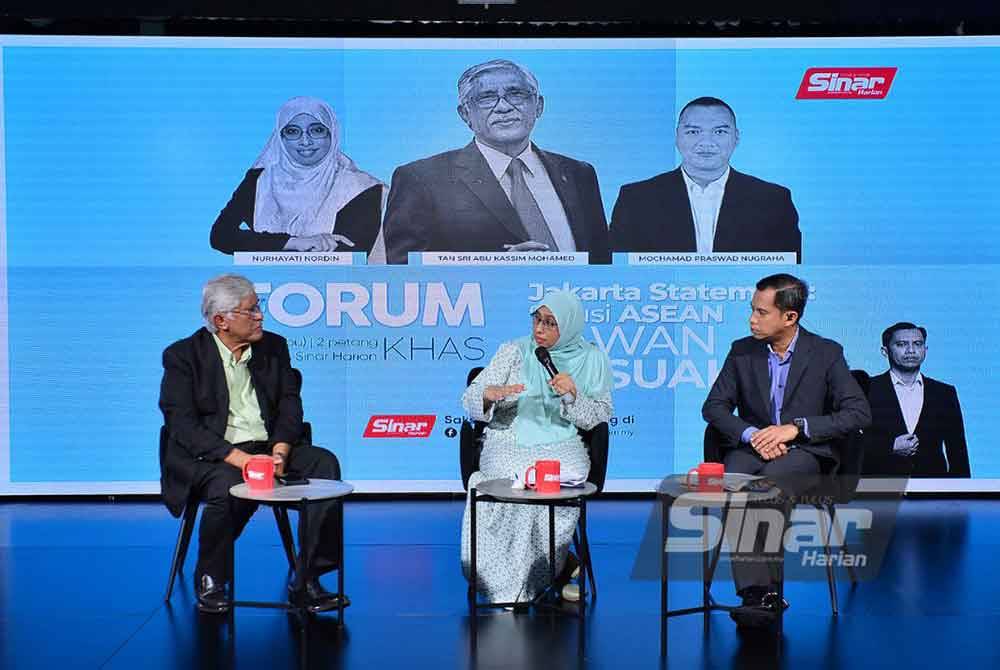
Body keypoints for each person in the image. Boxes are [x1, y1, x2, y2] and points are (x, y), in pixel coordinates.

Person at [159, 274, 347, 614]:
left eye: (259, 308)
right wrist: (240, 460)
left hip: (268, 447)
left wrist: (280, 450)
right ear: (221, 320)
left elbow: (290, 405)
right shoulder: (183, 356)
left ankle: (307, 579)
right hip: (213, 456)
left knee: (324, 464)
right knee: (227, 486)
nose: (260, 316)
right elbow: (182, 425)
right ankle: (212, 577)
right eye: (251, 310)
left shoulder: (274, 347)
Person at [702, 273, 870, 628]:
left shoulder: (826, 353)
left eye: (761, 312)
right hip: (750, 449)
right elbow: (714, 407)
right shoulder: (742, 351)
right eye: (752, 310)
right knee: (737, 487)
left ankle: (762, 593)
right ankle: (759, 593)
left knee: (767, 488)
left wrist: (796, 428)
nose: (752, 319)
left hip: (805, 452)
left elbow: (858, 412)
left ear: (790, 317)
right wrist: (754, 435)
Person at [461, 289, 613, 604]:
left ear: (568, 326)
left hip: (563, 440)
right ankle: (518, 579)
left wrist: (572, 396)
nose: (540, 329)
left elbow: (597, 419)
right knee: (513, 478)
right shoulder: (513, 351)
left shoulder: (593, 359)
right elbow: (471, 400)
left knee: (553, 479)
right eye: (537, 320)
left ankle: (544, 572)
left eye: (550, 323)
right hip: (509, 436)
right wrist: (489, 394)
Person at [383, 59, 610, 264]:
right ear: (465, 114)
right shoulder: (421, 179)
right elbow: (403, 274)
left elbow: (603, 263)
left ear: (539, 106)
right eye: (487, 98)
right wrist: (494, 271)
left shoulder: (579, 173)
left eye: (516, 94)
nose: (503, 107)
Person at [609, 97, 801, 262]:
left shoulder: (773, 200)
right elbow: (618, 270)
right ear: (677, 137)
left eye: (719, 132)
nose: (706, 142)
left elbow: (789, 274)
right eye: (693, 132)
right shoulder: (636, 199)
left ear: (736, 137)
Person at [210, 96, 384, 256]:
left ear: (332, 134)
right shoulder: (260, 180)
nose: (305, 141)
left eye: (317, 130)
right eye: (293, 132)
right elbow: (221, 237)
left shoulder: (360, 187)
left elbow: (352, 251)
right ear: (280, 137)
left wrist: (264, 243)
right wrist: (292, 242)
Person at [862, 322, 970, 477]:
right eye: (901, 344)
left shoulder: (944, 393)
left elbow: (958, 450)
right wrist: (889, 447)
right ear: (885, 351)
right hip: (880, 485)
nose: (911, 350)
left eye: (917, 344)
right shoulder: (866, 389)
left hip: (933, 486)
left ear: (925, 349)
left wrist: (963, 490)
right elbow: (849, 443)